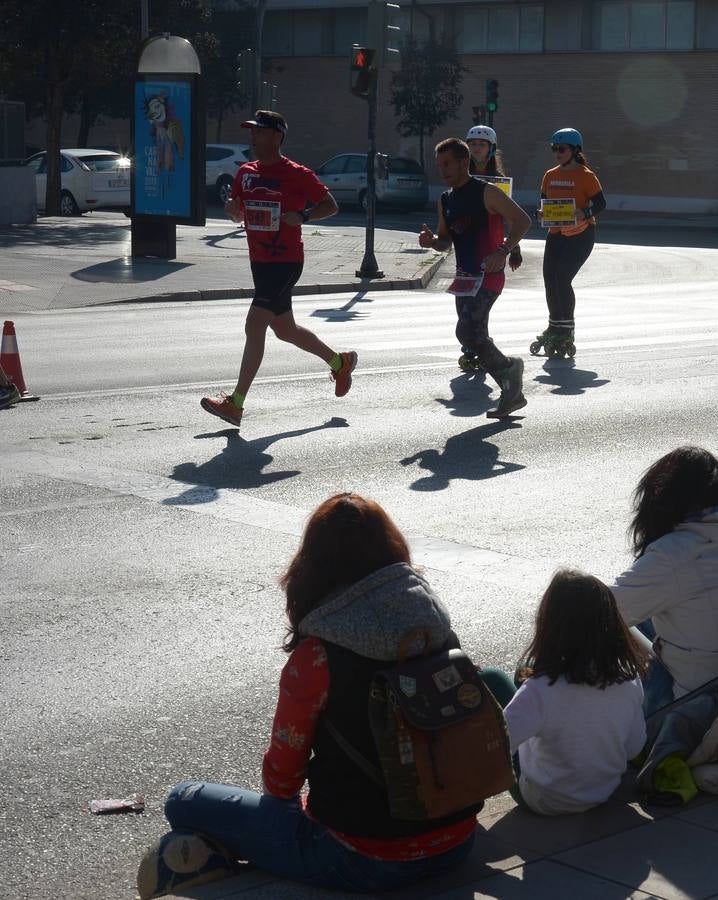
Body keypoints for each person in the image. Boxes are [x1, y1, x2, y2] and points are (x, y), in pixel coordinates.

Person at [139, 493, 516, 898]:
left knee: (183, 801)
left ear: (312, 567)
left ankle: (215, 856)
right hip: (456, 843)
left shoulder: (317, 656)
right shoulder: (433, 628)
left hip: (363, 859)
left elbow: (281, 784)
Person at [201, 110, 356, 428]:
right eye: (252, 132)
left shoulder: (297, 173)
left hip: (286, 261)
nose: (252, 137)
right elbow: (238, 213)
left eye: (258, 132)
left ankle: (236, 403)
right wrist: (233, 211)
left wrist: (304, 217)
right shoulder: (245, 172)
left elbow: (331, 205)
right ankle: (339, 363)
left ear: (276, 137)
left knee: (254, 323)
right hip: (259, 261)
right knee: (285, 330)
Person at [612, 446, 718, 716]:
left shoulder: (674, 553)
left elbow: (601, 612)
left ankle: (627, 743)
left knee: (607, 626)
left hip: (702, 705)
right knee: (649, 618)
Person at [502, 569, 647, 815]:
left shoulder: (539, 689)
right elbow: (634, 748)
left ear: (549, 624)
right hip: (603, 791)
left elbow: (500, 748)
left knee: (496, 678)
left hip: (545, 800)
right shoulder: (630, 677)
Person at [419, 137, 532, 418]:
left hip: (489, 276)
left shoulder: (487, 192)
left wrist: (504, 250)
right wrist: (432, 241)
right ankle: (511, 388)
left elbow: (522, 220)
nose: (442, 170)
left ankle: (510, 373)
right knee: (472, 335)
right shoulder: (446, 199)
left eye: (447, 164)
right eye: (438, 165)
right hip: (464, 279)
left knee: (467, 331)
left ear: (463, 162)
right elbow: (446, 241)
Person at [533, 128, 605, 359]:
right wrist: (541, 215)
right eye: (554, 149)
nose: (557, 153)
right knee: (549, 279)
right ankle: (555, 325)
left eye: (561, 149)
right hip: (556, 233)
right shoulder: (549, 175)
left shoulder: (586, 176)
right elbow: (544, 203)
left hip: (581, 234)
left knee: (562, 277)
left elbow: (601, 204)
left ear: (574, 150)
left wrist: (583, 213)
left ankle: (567, 328)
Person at [460, 124, 523, 371]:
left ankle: (480, 345)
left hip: (492, 250)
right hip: (466, 252)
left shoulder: (499, 182)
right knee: (464, 305)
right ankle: (473, 344)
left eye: (481, 144)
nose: (476, 148)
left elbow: (513, 217)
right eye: (472, 144)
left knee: (480, 305)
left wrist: (513, 249)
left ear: (491, 148)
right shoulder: (460, 176)